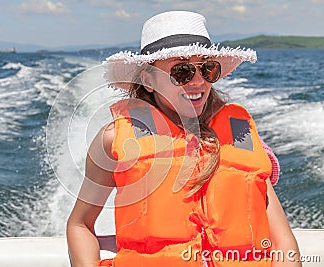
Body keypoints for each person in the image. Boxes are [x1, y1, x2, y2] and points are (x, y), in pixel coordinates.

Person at [66, 11, 301, 267]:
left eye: (207, 68)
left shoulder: (239, 134)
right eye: (181, 71)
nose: (198, 81)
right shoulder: (114, 140)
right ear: (148, 80)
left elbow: (281, 240)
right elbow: (80, 225)